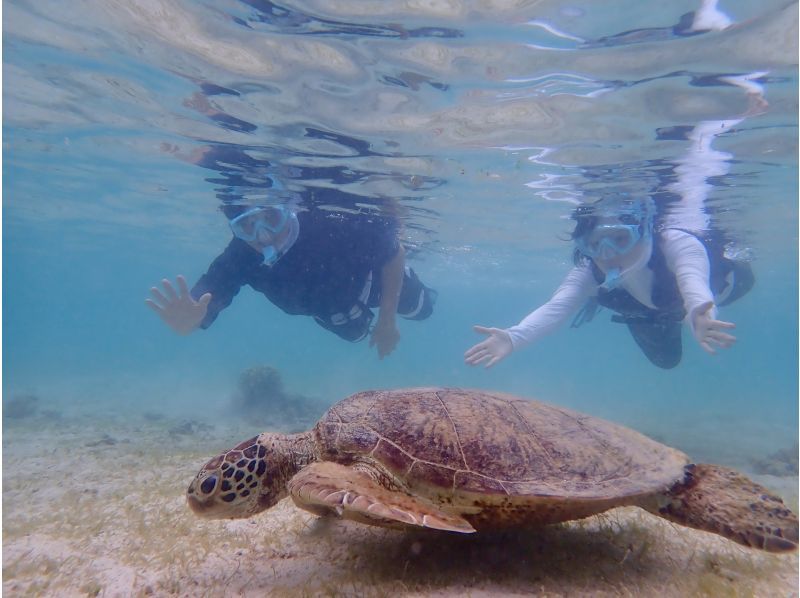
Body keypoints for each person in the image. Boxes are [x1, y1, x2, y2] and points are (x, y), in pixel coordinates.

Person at [464, 195, 753, 369]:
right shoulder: (589, 270)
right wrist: (515, 337)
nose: (608, 255)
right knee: (667, 362)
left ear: (643, 231)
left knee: (742, 281)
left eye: (620, 239)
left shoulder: (675, 244)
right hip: (648, 314)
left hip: (715, 291)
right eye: (595, 245)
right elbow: (558, 308)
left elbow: (694, 286)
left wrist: (699, 316)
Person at [146, 202, 436, 359]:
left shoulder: (330, 222)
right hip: (327, 308)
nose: (264, 236)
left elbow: (393, 251)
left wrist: (387, 321)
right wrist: (192, 320)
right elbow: (209, 292)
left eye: (271, 218)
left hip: (373, 282)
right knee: (355, 335)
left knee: (422, 310)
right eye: (247, 225)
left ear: (287, 209)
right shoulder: (242, 253)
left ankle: (408, 292)